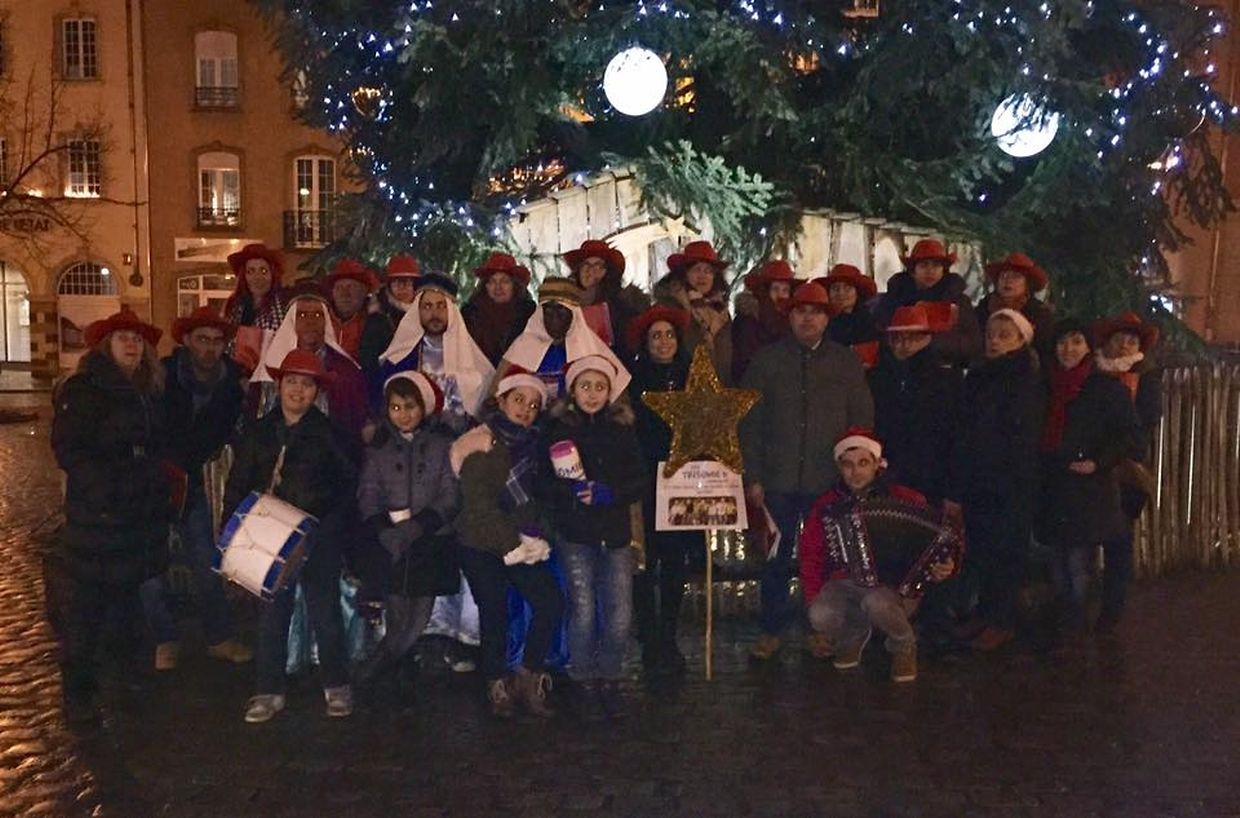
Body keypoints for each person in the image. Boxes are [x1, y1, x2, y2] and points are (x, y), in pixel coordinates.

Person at [47, 308, 171, 727]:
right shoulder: (85, 389)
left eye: (137, 339)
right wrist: (105, 490)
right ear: (106, 345)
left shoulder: (147, 389)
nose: (132, 345)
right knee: (85, 614)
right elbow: (70, 448)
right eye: (123, 338)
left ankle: (125, 686)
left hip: (135, 519)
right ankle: (80, 696)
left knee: (126, 610)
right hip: (98, 519)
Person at [739, 281, 875, 660]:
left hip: (828, 479)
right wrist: (753, 476)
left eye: (816, 312)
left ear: (827, 319)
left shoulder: (845, 362)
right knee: (775, 558)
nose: (808, 319)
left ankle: (822, 628)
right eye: (801, 311)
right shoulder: (766, 361)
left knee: (827, 559)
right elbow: (749, 423)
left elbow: (861, 417)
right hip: (777, 478)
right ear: (790, 317)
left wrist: (856, 471)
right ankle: (772, 629)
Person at [225, 349, 357, 723]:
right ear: (279, 386)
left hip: (317, 534)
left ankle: (337, 684)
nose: (298, 390)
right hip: (268, 534)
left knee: (325, 610)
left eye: (307, 384)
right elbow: (238, 482)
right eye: (292, 382)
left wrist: (328, 524)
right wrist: (231, 532)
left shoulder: (330, 434)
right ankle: (269, 689)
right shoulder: (259, 431)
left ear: (317, 392)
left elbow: (348, 485)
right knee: (271, 613)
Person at [799, 429, 961, 682]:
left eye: (863, 463)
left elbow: (943, 539)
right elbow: (810, 553)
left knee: (876, 602)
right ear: (839, 467)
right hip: (844, 584)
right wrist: (812, 596)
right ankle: (853, 634)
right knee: (820, 614)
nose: (856, 472)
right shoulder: (827, 504)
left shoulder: (907, 498)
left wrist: (947, 565)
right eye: (848, 465)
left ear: (877, 463)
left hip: (895, 590)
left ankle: (903, 644)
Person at [140, 307, 251, 672]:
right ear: (186, 340)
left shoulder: (231, 383)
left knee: (206, 558)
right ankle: (164, 638)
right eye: (202, 339)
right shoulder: (162, 375)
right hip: (155, 479)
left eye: (217, 341)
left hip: (194, 481)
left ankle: (219, 637)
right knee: (151, 564)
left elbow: (227, 431)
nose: (209, 348)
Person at [449, 369, 565, 718]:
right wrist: (512, 544)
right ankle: (495, 681)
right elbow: (479, 505)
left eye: (533, 405)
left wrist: (538, 534)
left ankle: (528, 676)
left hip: (520, 539)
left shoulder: (535, 445)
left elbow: (540, 498)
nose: (525, 409)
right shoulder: (480, 443)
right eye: (518, 400)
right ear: (501, 401)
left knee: (549, 600)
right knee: (494, 608)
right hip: (479, 540)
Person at [542, 355, 646, 720]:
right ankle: (583, 678)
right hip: (576, 532)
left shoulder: (622, 430)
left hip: (614, 533)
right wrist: (570, 492)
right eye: (585, 386)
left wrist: (611, 493)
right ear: (573, 391)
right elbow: (544, 481)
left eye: (599, 387)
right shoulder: (558, 430)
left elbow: (639, 479)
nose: (592, 394)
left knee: (619, 611)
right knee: (583, 608)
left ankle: (611, 675)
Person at [353, 372, 460, 698]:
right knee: (398, 614)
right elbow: (368, 492)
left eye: (410, 406)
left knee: (419, 616)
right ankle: (385, 674)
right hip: (393, 542)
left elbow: (450, 494)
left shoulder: (442, 444)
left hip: (431, 539)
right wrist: (384, 530)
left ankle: (375, 669)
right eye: (396, 407)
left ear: (423, 407)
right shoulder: (379, 447)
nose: (403, 414)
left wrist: (419, 526)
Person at [949, 309, 1044, 652]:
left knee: (1006, 553)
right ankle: (985, 613)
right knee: (982, 550)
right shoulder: (979, 376)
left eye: (1004, 335)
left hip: (1009, 482)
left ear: (1021, 340)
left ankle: (1002, 620)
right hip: (980, 478)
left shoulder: (1025, 379)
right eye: (991, 334)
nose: (995, 341)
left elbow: (1020, 435)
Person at [1035, 319, 1139, 635]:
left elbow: (1129, 436)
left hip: (1087, 488)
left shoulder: (1105, 389)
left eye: (1076, 342)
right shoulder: (1046, 386)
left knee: (1078, 561)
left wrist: (1097, 462)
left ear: (1088, 347)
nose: (1068, 349)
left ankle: (1077, 624)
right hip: (1053, 484)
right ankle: (1066, 618)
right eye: (1062, 342)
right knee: (1057, 558)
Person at [626, 305, 701, 675]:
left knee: (674, 561)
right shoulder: (633, 379)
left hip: (681, 480)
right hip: (644, 478)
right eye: (656, 336)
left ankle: (669, 633)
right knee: (645, 561)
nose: (663, 341)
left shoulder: (693, 376)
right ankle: (649, 634)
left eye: (669, 334)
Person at [1091, 311, 1163, 631]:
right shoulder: (1093, 372)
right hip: (1092, 467)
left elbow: (1146, 422)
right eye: (1119, 338)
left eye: (1131, 340)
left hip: (1125, 469)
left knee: (1119, 538)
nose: (1124, 345)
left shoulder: (1145, 378)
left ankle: (1112, 607)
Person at [867, 303, 962, 504]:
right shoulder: (876, 377)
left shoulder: (945, 379)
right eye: (897, 338)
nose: (905, 345)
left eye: (914, 337)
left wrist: (952, 489)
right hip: (885, 471)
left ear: (928, 338)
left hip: (929, 474)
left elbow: (953, 435)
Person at [378, 273, 495, 432]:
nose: (434, 314)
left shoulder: (473, 358)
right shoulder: (400, 357)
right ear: (417, 311)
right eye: (427, 306)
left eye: (441, 306)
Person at [251, 289, 369, 447]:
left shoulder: (346, 371)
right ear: (292, 321)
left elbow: (354, 427)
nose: (310, 321)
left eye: (318, 315)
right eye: (302, 315)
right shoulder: (271, 364)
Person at [497, 277, 630, 401]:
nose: (554, 317)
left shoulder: (591, 349)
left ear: (573, 314)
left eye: (561, 310)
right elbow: (497, 393)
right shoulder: (521, 349)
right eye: (548, 310)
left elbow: (617, 396)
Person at [874, 239, 982, 368]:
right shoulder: (895, 298)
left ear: (944, 270)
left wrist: (932, 342)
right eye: (924, 265)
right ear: (913, 271)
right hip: (898, 370)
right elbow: (878, 331)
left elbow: (972, 344)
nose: (930, 271)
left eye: (936, 265)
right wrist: (896, 346)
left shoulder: (958, 301)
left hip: (943, 372)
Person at [653, 240, 733, 381]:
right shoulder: (669, 308)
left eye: (708, 271)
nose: (702, 276)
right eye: (696, 269)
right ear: (685, 274)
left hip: (720, 389)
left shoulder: (721, 311)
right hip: (680, 386)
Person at [563, 239, 648, 359]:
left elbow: (628, 347)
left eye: (598, 265)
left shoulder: (623, 307)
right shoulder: (564, 303)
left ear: (608, 271)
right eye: (586, 264)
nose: (591, 270)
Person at [978, 252, 1055, 365]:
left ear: (1027, 284)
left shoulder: (1039, 313)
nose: (1008, 280)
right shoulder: (984, 307)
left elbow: (1044, 352)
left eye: (1016, 276)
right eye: (1003, 276)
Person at [461, 252, 536, 366]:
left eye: (505, 281)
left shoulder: (529, 316)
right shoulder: (470, 315)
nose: (498, 287)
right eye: (492, 281)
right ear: (485, 286)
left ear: (515, 286)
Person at [359, 254, 423, 386]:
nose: (402, 287)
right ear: (389, 286)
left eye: (407, 282)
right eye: (397, 282)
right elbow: (369, 362)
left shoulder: (424, 315)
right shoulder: (379, 319)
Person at [732, 259, 797, 382]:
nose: (780, 295)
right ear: (765, 291)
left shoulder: (792, 322)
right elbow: (744, 360)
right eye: (775, 289)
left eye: (785, 290)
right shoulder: (748, 320)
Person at [820, 263, 880, 367]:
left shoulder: (869, 322)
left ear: (857, 292)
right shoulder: (821, 322)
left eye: (847, 288)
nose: (841, 293)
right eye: (835, 288)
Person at [223, 242, 288, 333]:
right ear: (243, 277)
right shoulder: (235, 306)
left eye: (264, 271)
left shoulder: (283, 306)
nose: (257, 277)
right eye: (251, 271)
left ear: (273, 275)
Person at [325, 258, 381, 362]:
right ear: (332, 293)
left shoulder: (377, 326)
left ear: (364, 292)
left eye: (352, 287)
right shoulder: (321, 319)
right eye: (339, 287)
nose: (345, 294)